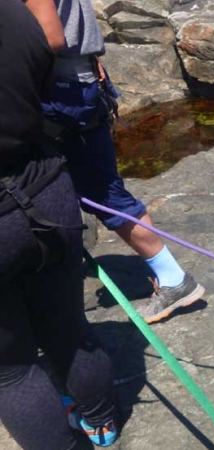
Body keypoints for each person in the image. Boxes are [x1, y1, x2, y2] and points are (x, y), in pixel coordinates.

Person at [37, 0, 204, 324]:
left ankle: (173, 279)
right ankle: (170, 277)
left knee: (93, 192)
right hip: (78, 85)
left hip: (60, 94)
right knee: (95, 190)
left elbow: (49, 37)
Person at [0, 1, 118, 448]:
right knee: (70, 329)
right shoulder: (12, 12)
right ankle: (103, 423)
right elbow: (44, 64)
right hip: (46, 190)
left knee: (10, 371)